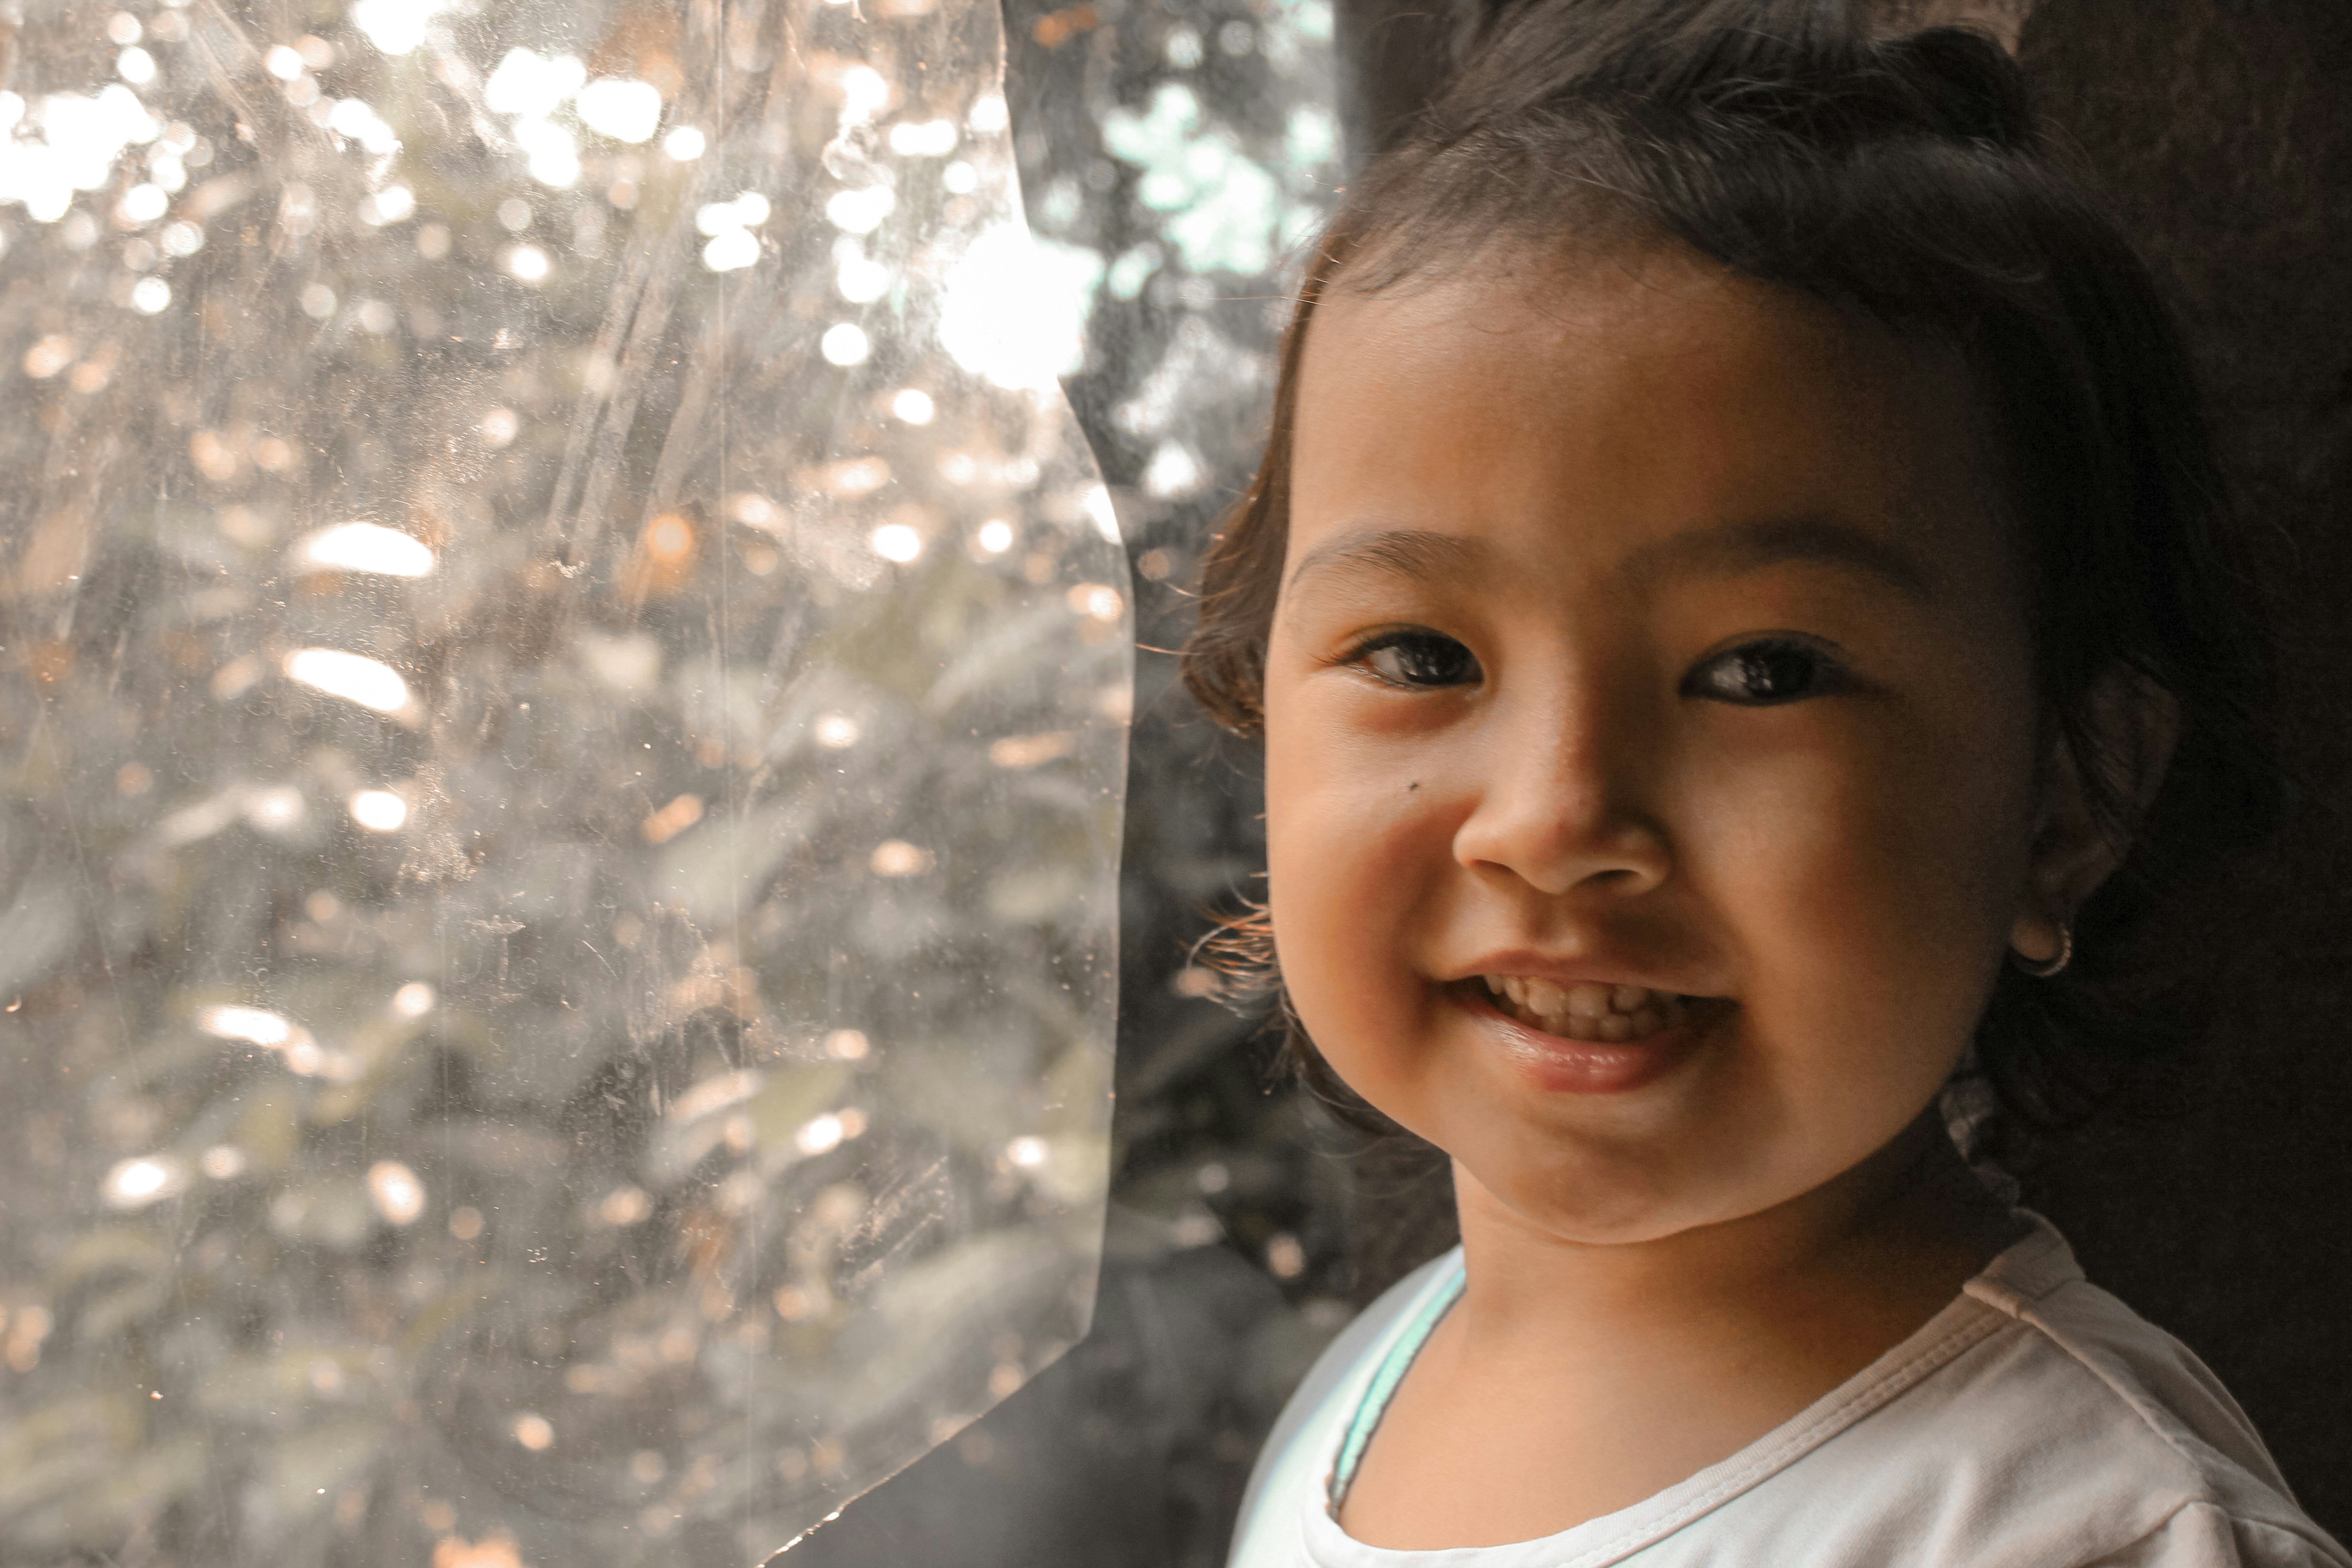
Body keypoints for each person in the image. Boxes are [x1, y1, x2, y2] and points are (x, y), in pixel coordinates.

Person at [1181, 1, 2351, 1563]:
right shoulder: (1373, 1385)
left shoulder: (2078, 1535)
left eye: (1763, 673)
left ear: (2066, 801)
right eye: (1420, 655)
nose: (1554, 822)